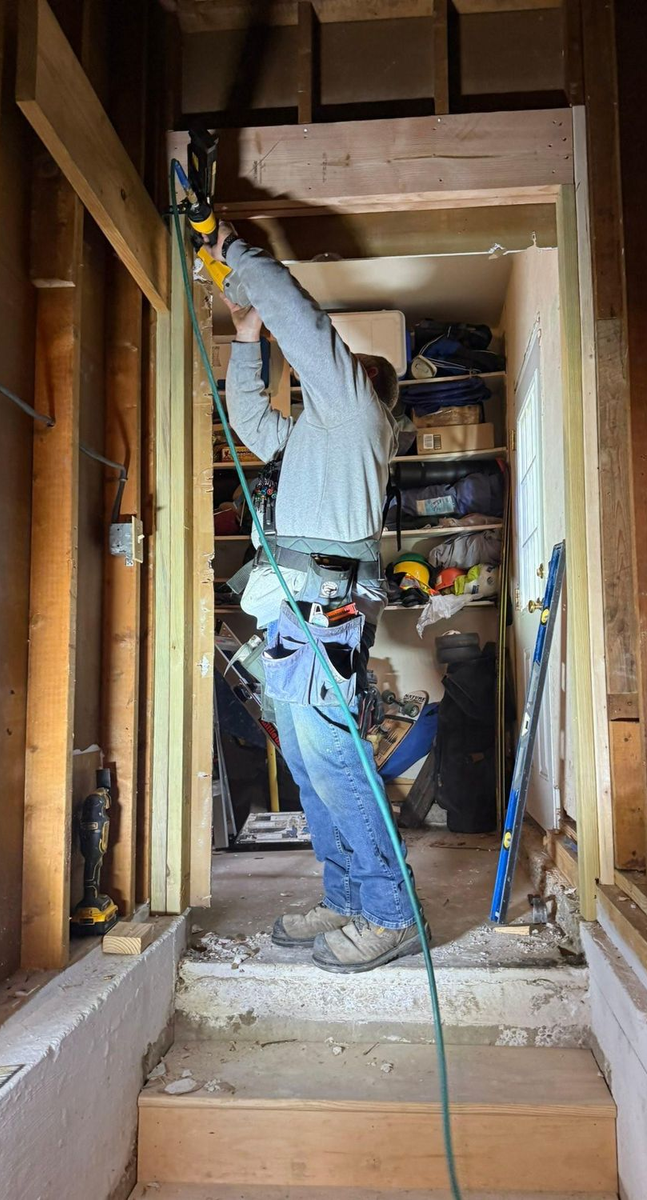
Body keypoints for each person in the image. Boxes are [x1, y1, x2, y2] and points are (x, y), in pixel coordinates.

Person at [207, 225, 427, 973]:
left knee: (334, 757)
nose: (316, 379)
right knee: (305, 760)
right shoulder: (311, 437)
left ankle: (391, 911)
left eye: (333, 374)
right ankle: (347, 894)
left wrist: (238, 255)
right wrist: (245, 338)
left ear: (358, 386)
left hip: (321, 611)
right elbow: (247, 420)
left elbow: (302, 324)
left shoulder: (356, 416)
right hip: (292, 612)